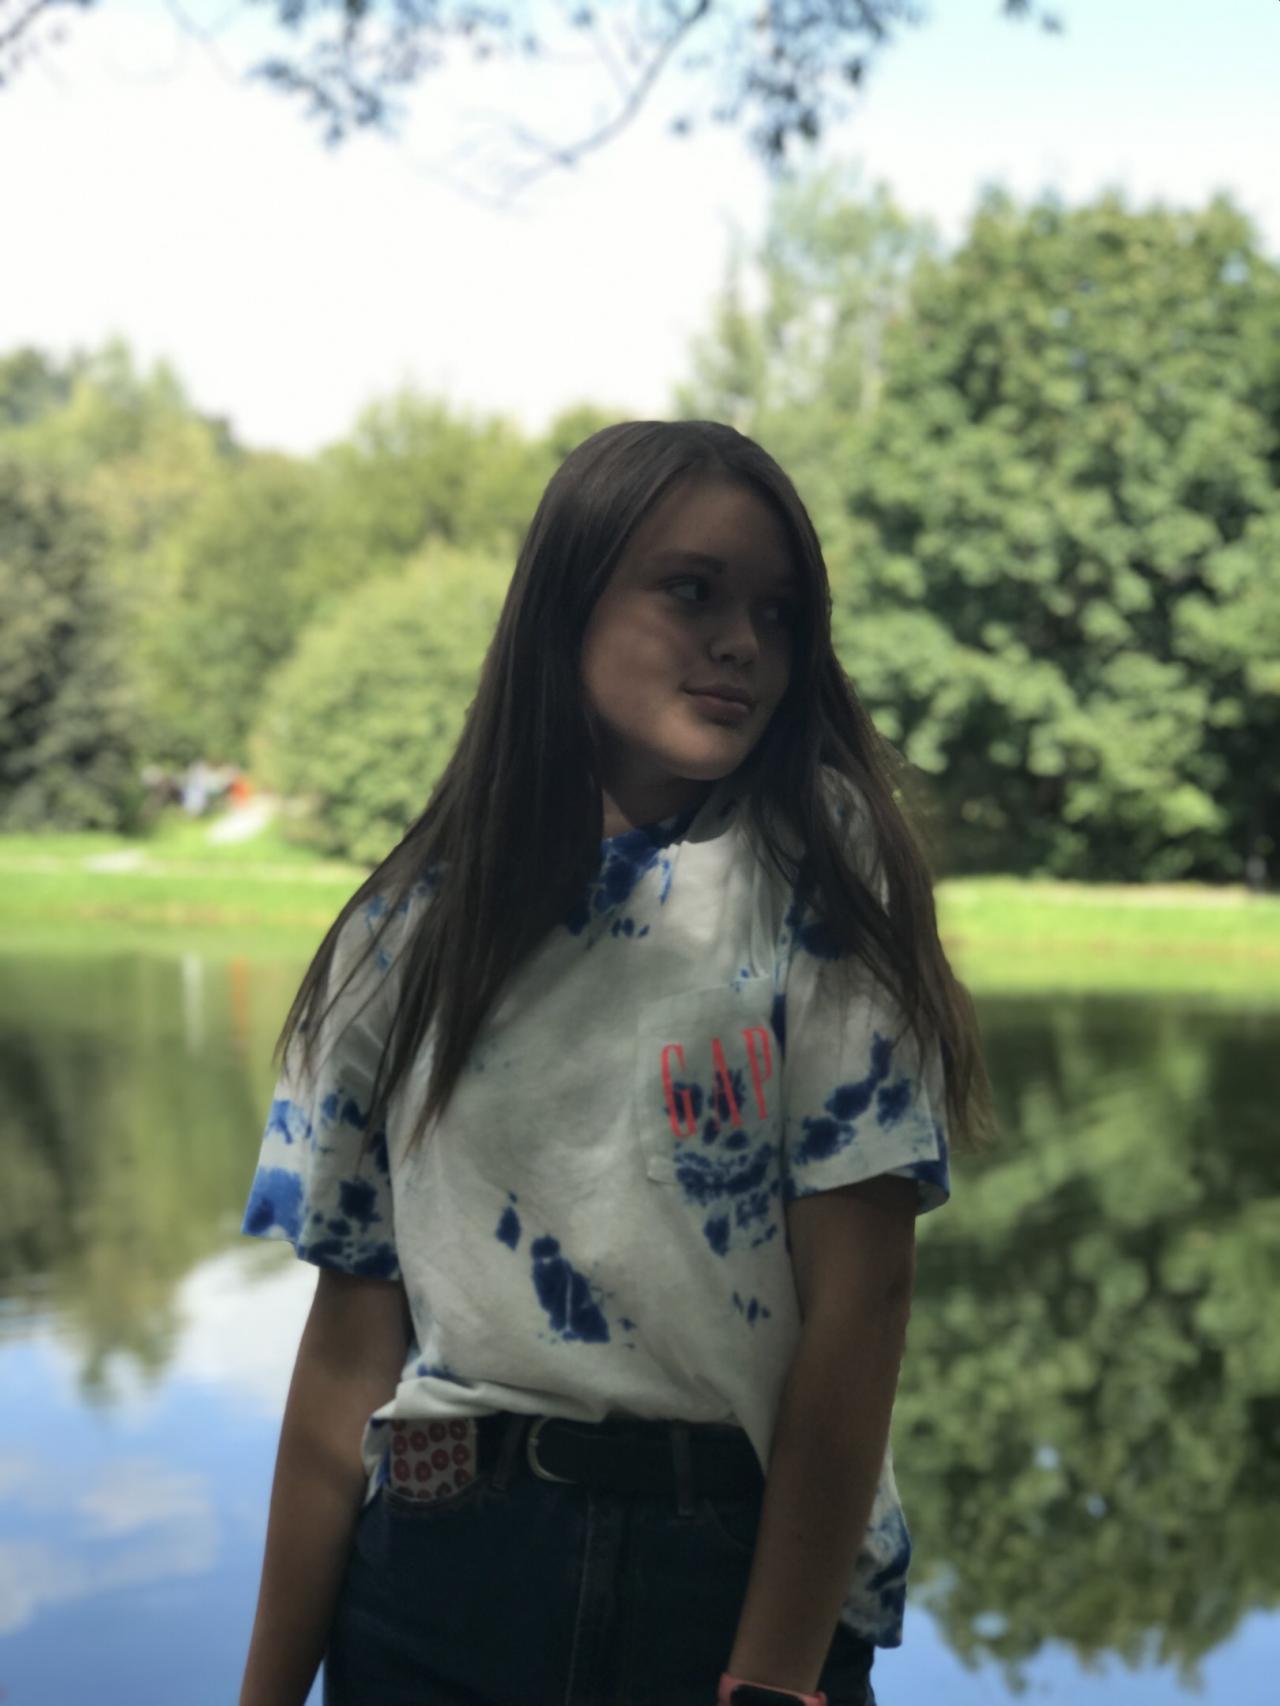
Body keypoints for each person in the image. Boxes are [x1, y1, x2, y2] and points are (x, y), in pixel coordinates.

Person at [236, 419, 995, 1706]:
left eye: (777, 612)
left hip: (729, 1581)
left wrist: (772, 1677)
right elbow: (346, 1359)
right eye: (690, 590)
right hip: (434, 1577)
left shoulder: (814, 873)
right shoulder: (403, 934)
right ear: (565, 603)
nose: (741, 641)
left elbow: (861, 1305)